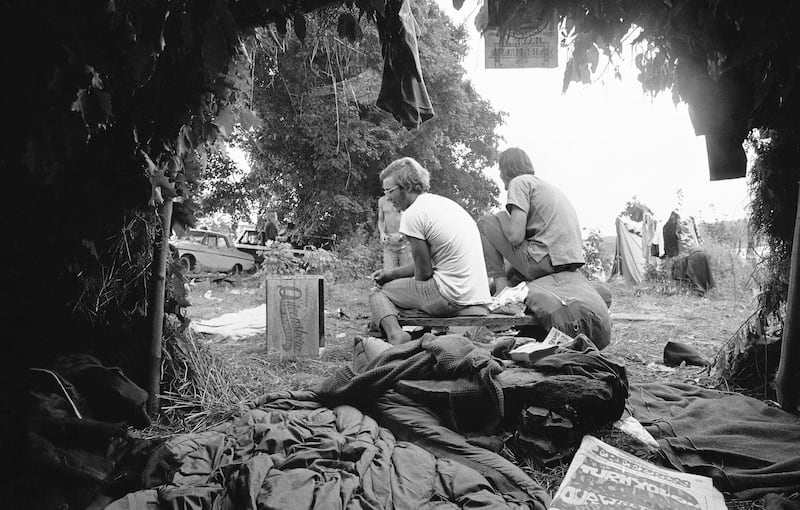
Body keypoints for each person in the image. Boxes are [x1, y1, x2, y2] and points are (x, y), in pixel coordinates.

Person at [370, 157, 491, 345]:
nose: (387, 197)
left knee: (379, 294)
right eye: (384, 191)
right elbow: (428, 264)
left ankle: (396, 336)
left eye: (390, 190)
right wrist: (391, 274)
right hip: (474, 293)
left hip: (448, 293)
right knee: (404, 294)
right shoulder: (442, 205)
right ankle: (453, 309)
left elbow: (423, 274)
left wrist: (395, 286)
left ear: (407, 186)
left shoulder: (413, 214)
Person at [477, 147, 584, 295]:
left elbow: (515, 238)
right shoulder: (544, 187)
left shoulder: (519, 183)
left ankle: (501, 289)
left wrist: (502, 217)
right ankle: (497, 287)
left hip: (545, 261)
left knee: (485, 222)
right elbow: (521, 248)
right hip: (567, 262)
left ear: (505, 171)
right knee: (514, 270)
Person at [377, 195, 412, 270]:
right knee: (389, 273)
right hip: (389, 243)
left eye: (390, 189)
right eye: (385, 190)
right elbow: (381, 220)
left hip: (405, 243)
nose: (387, 192)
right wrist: (382, 233)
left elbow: (411, 219)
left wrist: (404, 233)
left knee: (406, 274)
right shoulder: (382, 200)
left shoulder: (405, 199)